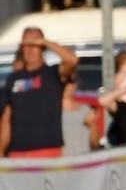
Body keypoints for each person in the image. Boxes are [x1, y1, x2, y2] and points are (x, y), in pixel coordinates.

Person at [0, 27, 78, 157]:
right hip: (18, 153)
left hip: (47, 152)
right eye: (26, 45)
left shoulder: (53, 74)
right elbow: (6, 118)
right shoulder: (13, 79)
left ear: (42, 47)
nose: (29, 50)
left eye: (34, 45)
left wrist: (46, 42)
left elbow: (72, 60)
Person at [61, 76, 98, 155]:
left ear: (76, 85)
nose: (66, 86)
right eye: (63, 82)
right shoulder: (51, 111)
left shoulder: (86, 110)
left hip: (84, 162)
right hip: (61, 163)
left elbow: (95, 144)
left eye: (70, 82)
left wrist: (92, 125)